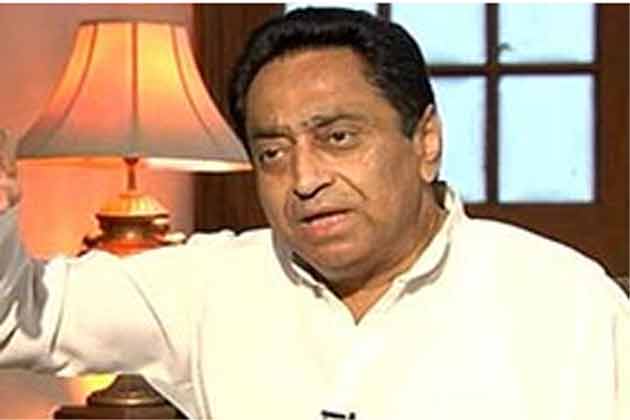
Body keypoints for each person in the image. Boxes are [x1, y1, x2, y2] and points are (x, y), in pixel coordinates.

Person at [0, 7, 628, 420]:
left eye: (338, 138)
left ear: (426, 141)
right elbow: (17, 322)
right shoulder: (209, 283)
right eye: (273, 152)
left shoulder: (564, 301)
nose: (304, 180)